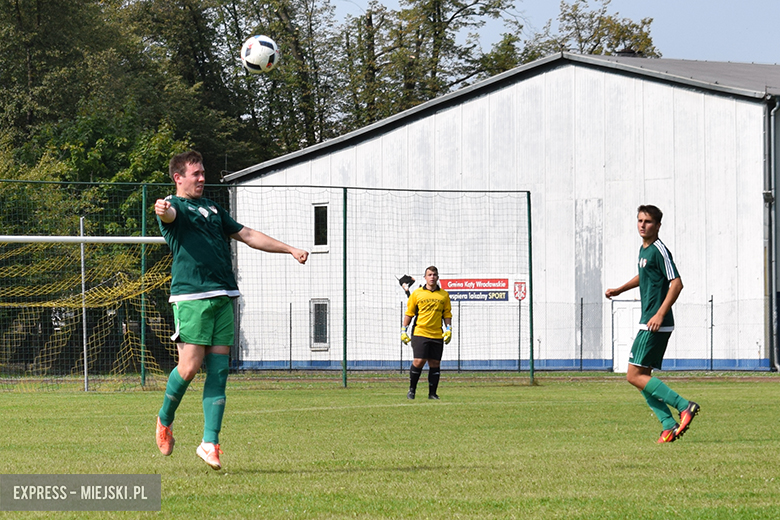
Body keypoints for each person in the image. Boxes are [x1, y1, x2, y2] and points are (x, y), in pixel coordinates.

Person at [154, 150, 308, 470]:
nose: (201, 178)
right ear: (178, 177)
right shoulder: (175, 207)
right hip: (192, 298)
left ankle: (210, 442)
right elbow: (167, 217)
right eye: (195, 173)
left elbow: (248, 235)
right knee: (190, 367)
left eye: (203, 172)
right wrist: (163, 209)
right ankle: (165, 420)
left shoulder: (213, 208)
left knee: (220, 371)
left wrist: (290, 248)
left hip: (224, 295)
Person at [605, 205, 700, 444]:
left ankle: (683, 405)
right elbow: (644, 274)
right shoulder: (644, 250)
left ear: (658, 225)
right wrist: (620, 289)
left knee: (633, 375)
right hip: (649, 321)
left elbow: (676, 283)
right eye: (639, 220)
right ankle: (668, 426)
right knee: (642, 377)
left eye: (647, 221)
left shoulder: (659, 250)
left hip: (654, 323)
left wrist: (659, 314)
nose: (642, 225)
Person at [401, 266, 452, 400]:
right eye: (429, 275)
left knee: (435, 363)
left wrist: (448, 329)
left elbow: (447, 313)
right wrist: (403, 330)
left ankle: (432, 393)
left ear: (438, 277)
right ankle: (412, 390)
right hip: (420, 332)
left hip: (437, 334)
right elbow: (409, 313)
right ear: (425, 277)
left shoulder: (444, 295)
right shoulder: (417, 294)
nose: (432, 277)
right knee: (419, 361)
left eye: (434, 275)